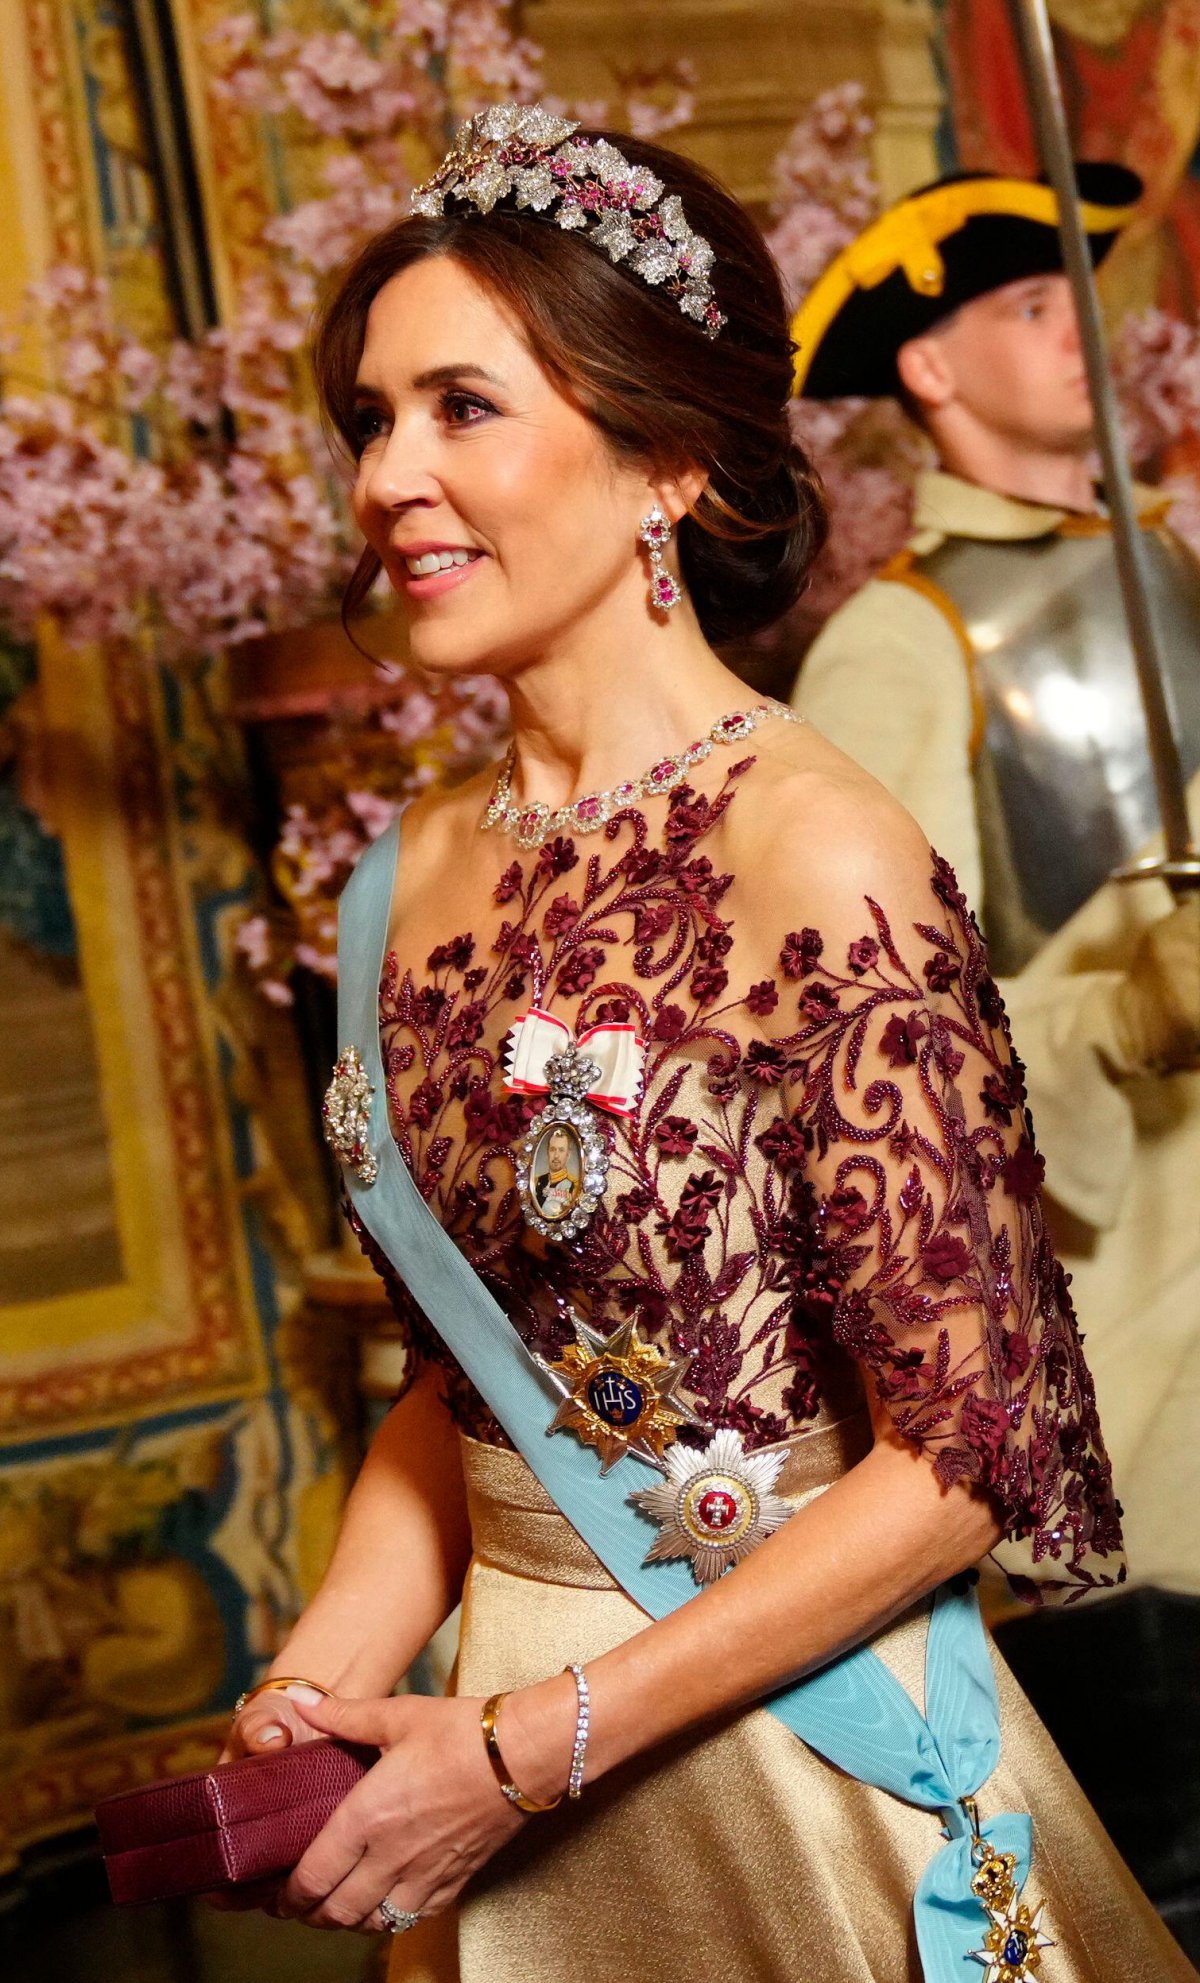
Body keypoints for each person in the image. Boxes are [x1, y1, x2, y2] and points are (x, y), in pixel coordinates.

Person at [220, 112, 1192, 1982]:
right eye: (370, 419)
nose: (390, 477)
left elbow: (967, 1454)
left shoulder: (815, 848)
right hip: (480, 1779)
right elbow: (468, 1385)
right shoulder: (402, 875)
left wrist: (532, 1747)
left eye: (461, 408)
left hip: (794, 1769)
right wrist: (318, 1678)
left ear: (664, 453)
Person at [790, 168, 1200, 1601]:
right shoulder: (903, 644)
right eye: (1033, 303)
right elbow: (875, 1054)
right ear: (930, 365)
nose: (1080, 322)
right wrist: (1127, 1016)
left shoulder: (1172, 562)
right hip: (1148, 1387)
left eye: (1081, 291)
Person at [532, 1126, 580, 1220]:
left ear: (568, 1155)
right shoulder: (536, 1181)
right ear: (548, 1152)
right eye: (553, 1149)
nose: (556, 1156)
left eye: (561, 1150)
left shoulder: (575, 1185)